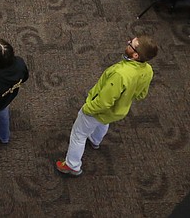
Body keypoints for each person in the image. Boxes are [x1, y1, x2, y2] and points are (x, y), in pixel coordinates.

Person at [56, 35, 158, 176]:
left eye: (131, 44)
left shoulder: (120, 74)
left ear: (135, 55)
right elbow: (141, 94)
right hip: (117, 111)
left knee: (78, 135)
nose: (128, 42)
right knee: (103, 123)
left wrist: (87, 109)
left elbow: (104, 103)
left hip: (98, 110)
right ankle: (95, 140)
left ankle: (72, 165)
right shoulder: (148, 70)